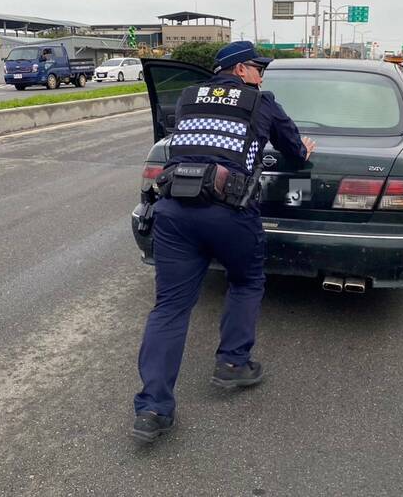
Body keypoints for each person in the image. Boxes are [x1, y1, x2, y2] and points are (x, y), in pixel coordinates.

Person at [132, 41, 315, 443]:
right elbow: (296, 152)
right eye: (258, 67)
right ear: (239, 70)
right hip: (229, 212)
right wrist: (304, 150)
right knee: (247, 281)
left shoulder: (185, 97)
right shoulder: (260, 102)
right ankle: (232, 364)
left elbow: (188, 138)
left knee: (170, 307)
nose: (262, 75)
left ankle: (152, 408)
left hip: (174, 209)